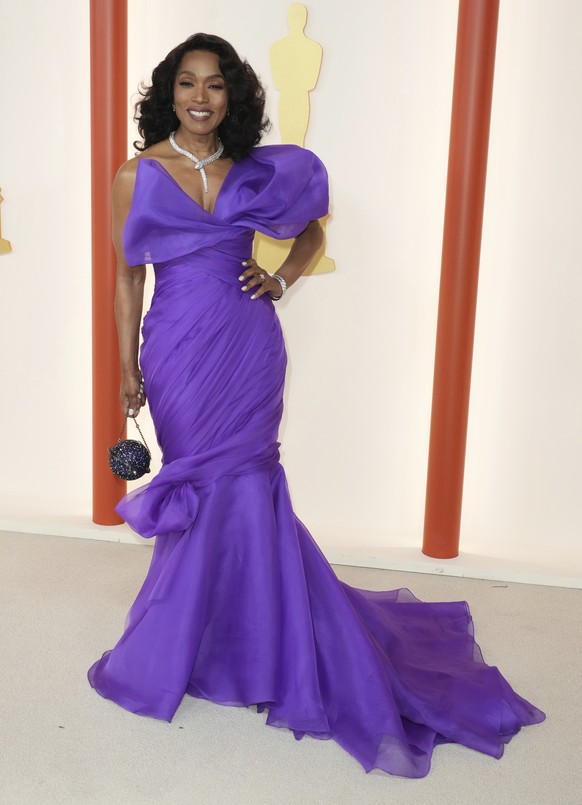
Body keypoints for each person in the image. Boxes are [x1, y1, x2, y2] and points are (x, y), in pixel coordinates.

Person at [88, 33, 544, 778]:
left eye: (214, 85)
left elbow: (312, 226)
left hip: (247, 345)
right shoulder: (134, 175)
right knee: (202, 487)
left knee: (248, 482)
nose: (200, 98)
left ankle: (250, 643)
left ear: (231, 96)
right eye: (186, 84)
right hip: (176, 350)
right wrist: (127, 367)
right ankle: (205, 638)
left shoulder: (254, 169)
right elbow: (125, 278)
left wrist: (281, 279)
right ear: (167, 94)